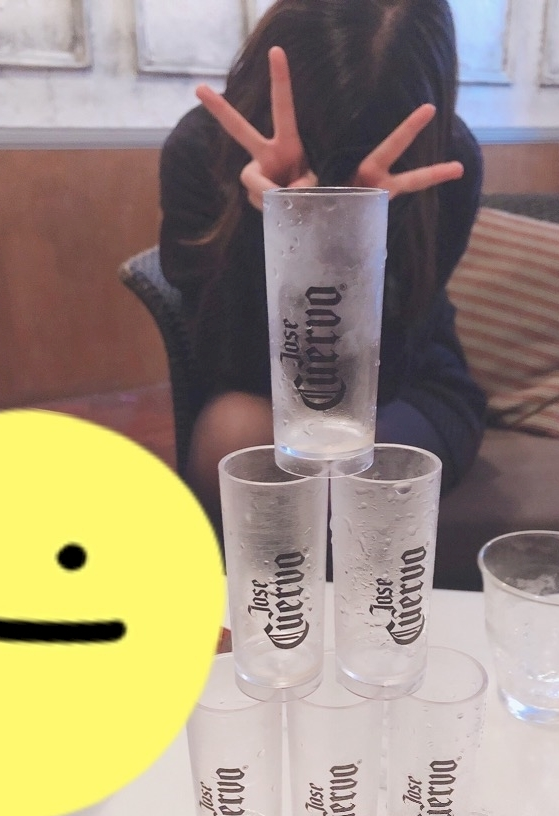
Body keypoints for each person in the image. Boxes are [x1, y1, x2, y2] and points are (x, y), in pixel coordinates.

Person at [159, 0, 487, 534]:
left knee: (349, 480)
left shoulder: (444, 159)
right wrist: (281, 230)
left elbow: (394, 368)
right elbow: (223, 361)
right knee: (238, 441)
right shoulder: (204, 149)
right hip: (257, 392)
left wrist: (357, 238)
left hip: (411, 386)